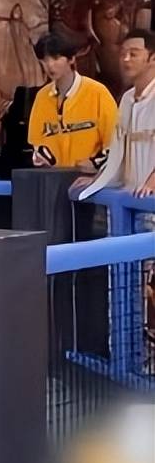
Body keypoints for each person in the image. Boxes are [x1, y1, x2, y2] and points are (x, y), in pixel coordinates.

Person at [76, 29, 155, 359]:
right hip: (127, 207)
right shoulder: (126, 99)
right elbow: (117, 152)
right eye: (123, 52)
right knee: (126, 283)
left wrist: (153, 179)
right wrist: (97, 178)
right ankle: (130, 358)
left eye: (134, 53)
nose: (125, 58)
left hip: (150, 209)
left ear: (152, 58)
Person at [28, 30, 118, 173]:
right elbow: (36, 142)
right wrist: (47, 161)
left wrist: (94, 164)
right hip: (54, 177)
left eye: (56, 58)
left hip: (91, 178)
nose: (50, 65)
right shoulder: (42, 97)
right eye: (44, 60)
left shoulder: (98, 93)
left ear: (71, 59)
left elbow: (115, 142)